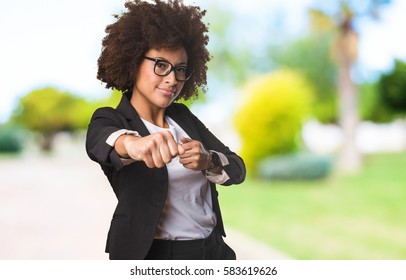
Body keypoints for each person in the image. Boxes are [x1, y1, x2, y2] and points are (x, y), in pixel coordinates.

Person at [86, 0, 246, 260]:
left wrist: (210, 160)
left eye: (180, 69)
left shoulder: (183, 117)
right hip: (157, 255)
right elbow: (100, 141)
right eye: (160, 65)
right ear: (134, 62)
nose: (172, 79)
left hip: (213, 250)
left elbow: (238, 169)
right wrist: (133, 145)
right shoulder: (112, 119)